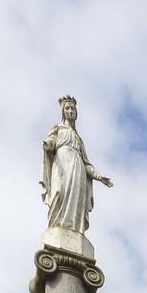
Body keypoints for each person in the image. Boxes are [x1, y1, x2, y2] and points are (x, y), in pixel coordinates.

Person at [40, 96, 112, 235]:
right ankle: (56, 227)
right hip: (61, 163)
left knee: (76, 200)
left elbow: (86, 164)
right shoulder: (58, 129)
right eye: (67, 108)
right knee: (58, 193)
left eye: (73, 108)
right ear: (63, 111)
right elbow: (51, 141)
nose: (70, 111)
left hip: (78, 167)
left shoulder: (79, 140)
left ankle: (73, 230)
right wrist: (47, 145)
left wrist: (99, 176)